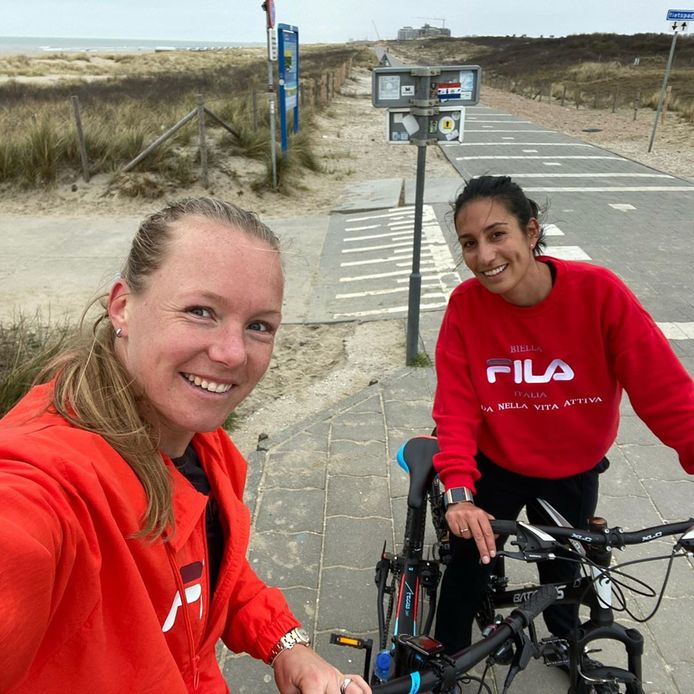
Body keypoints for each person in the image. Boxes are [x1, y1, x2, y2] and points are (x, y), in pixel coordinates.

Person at [0, 198, 370, 694]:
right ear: (123, 307)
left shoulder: (204, 446)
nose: (232, 353)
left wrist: (288, 645)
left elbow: (211, 572)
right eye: (201, 311)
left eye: (259, 325)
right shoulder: (48, 484)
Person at [431, 175, 694, 654]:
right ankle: (445, 662)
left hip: (573, 469)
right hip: (496, 466)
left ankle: (565, 644)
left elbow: (667, 395)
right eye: (469, 243)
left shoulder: (600, 294)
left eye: (497, 235)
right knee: (468, 568)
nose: (484, 256)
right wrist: (460, 493)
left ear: (531, 232)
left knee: (565, 579)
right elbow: (456, 407)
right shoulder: (466, 307)